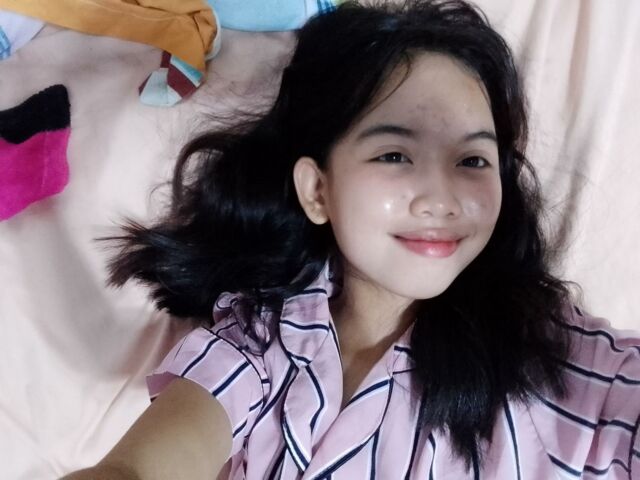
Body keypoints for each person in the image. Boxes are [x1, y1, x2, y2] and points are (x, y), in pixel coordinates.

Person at [63, 1, 640, 479]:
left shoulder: (569, 365)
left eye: (472, 160)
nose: (440, 198)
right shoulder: (258, 346)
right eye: (394, 154)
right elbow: (138, 468)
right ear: (318, 190)